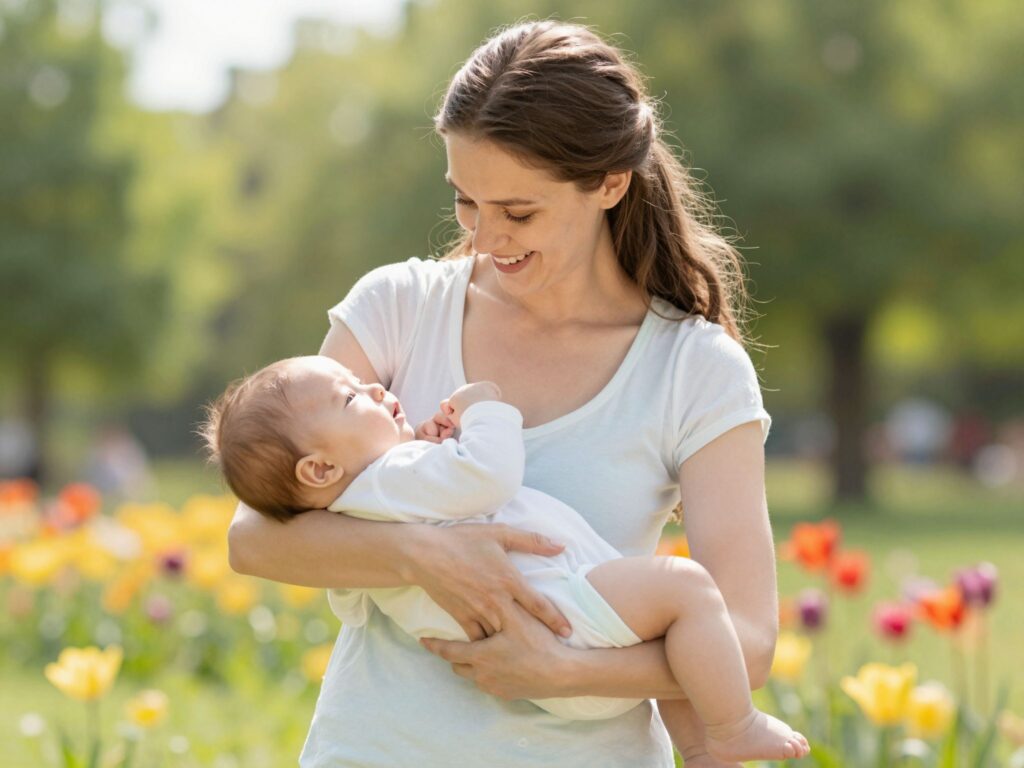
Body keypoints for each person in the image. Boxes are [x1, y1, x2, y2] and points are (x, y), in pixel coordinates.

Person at [227, 20, 782, 767]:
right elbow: (255, 537)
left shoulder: (694, 368)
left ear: (610, 183)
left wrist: (568, 671)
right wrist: (422, 555)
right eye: (465, 201)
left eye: (519, 212)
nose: (486, 238)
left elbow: (745, 641)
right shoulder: (399, 306)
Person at [204, 356, 809, 762]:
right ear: (319, 469)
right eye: (349, 397)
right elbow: (490, 477)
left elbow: (357, 602)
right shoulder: (395, 475)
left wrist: (424, 454)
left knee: (673, 614)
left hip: (554, 669)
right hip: (570, 616)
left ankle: (701, 752)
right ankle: (728, 732)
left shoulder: (351, 515)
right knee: (684, 591)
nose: (373, 387)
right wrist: (483, 409)